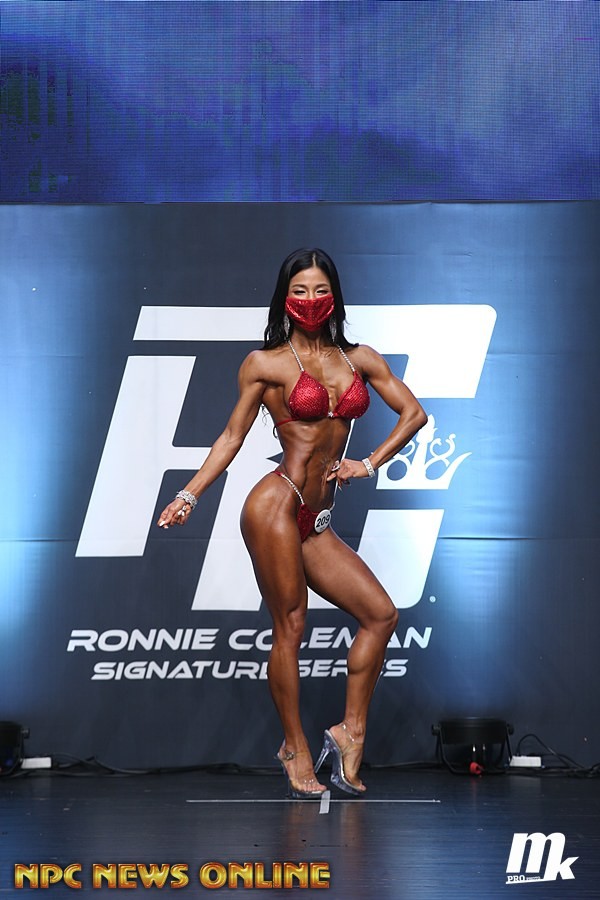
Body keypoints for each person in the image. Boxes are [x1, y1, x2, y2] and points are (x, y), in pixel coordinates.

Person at [157, 248, 427, 798]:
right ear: (285, 298)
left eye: (320, 290)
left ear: (334, 296)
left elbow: (414, 413)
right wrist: (189, 493)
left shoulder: (360, 359)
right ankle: (293, 746)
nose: (310, 300)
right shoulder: (266, 363)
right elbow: (231, 436)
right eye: (299, 291)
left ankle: (350, 733)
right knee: (292, 625)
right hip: (275, 504)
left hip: (317, 518)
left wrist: (368, 463)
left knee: (381, 615)